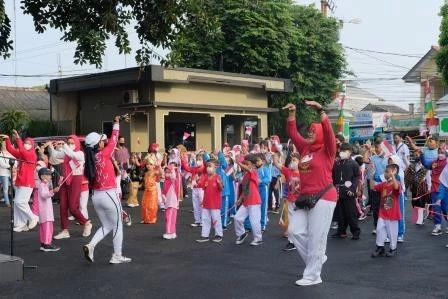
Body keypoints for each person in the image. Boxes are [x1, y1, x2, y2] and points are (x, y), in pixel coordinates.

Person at [283, 101, 337, 287]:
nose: (310, 133)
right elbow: (292, 133)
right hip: (305, 197)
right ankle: (317, 259)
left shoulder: (328, 150)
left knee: (316, 237)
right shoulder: (305, 148)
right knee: (294, 231)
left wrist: (321, 111)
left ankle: (313, 275)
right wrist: (292, 113)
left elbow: (329, 131)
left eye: (314, 130)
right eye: (309, 131)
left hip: (324, 197)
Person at [82, 115, 131, 264]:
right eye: (102, 141)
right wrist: (116, 123)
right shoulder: (103, 154)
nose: (105, 141)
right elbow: (114, 138)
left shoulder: (90, 158)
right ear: (98, 144)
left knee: (108, 225)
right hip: (108, 194)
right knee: (117, 225)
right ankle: (117, 255)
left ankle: (91, 245)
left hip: (96, 197)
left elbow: (111, 140)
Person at [52, 135, 92, 240]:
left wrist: (64, 145)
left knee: (73, 207)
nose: (70, 144)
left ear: (77, 143)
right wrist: (51, 146)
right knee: (63, 206)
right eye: (68, 142)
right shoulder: (66, 152)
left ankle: (86, 223)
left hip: (76, 179)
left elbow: (71, 154)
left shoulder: (80, 153)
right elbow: (55, 155)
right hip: (66, 179)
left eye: (72, 142)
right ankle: (65, 230)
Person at [1, 129, 39, 232]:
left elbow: (22, 151)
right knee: (18, 203)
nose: (26, 144)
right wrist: (8, 139)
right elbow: (12, 151)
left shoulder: (32, 155)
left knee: (19, 202)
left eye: (28, 143)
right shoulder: (23, 154)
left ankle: (33, 217)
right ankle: (20, 224)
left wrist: (18, 138)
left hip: (27, 182)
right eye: (25, 143)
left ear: (33, 145)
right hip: (20, 181)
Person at [370, 164, 401, 258]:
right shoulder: (384, 184)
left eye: (387, 172)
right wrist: (371, 175)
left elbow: (396, 187)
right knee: (379, 229)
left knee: (392, 232)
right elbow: (372, 187)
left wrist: (393, 176)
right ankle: (380, 247)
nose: (385, 173)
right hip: (383, 213)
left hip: (392, 214)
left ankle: (393, 248)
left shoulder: (397, 183)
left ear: (394, 172)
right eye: (386, 171)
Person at [332, 143, 361, 240]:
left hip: (349, 191)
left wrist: (353, 189)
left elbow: (357, 177)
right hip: (338, 191)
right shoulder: (336, 163)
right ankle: (341, 231)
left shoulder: (353, 164)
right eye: (340, 151)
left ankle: (355, 231)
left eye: (343, 151)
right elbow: (333, 177)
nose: (341, 153)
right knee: (340, 213)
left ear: (349, 152)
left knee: (351, 213)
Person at [272, 152, 300, 251]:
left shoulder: (304, 173)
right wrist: (276, 155)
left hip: (301, 202)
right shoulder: (288, 171)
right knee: (291, 222)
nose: (291, 162)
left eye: (294, 160)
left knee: (302, 223)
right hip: (291, 201)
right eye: (291, 160)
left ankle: (303, 242)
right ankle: (291, 242)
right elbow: (276, 164)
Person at [234, 155, 263, 246]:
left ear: (252, 165)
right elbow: (246, 189)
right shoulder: (246, 175)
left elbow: (249, 169)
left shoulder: (253, 171)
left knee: (254, 221)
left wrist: (238, 162)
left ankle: (258, 239)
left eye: (247, 163)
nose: (244, 165)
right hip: (246, 201)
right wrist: (240, 199)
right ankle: (242, 234)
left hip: (254, 201)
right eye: (244, 163)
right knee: (237, 218)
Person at [195, 159, 224, 243]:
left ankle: (219, 234)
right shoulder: (206, 178)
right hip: (206, 202)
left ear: (215, 167)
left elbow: (221, 188)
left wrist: (219, 183)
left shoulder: (218, 177)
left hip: (215, 203)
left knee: (216, 219)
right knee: (205, 219)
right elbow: (203, 187)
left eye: (210, 166)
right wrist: (198, 180)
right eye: (207, 166)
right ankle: (205, 235)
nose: (208, 168)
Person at [37, 167, 61, 252]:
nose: (50, 176)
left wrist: (53, 190)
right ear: (43, 176)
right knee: (48, 227)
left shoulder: (44, 184)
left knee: (44, 227)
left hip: (45, 210)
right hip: (46, 211)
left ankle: (44, 243)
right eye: (48, 174)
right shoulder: (42, 184)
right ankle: (47, 244)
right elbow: (44, 195)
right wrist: (53, 191)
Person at [140, 153, 163, 224]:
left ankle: (152, 219)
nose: (148, 166)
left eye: (150, 164)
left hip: (152, 191)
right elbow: (145, 182)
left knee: (151, 205)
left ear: (153, 165)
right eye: (147, 164)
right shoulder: (146, 173)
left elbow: (161, 174)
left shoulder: (154, 172)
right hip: (146, 191)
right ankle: (145, 218)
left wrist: (159, 166)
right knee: (144, 205)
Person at [162, 164, 180, 240]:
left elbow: (173, 176)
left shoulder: (173, 180)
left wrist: (172, 169)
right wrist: (163, 197)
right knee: (168, 218)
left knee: (170, 217)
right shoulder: (166, 181)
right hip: (167, 203)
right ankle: (172, 232)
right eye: (166, 172)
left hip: (172, 203)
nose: (167, 174)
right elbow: (163, 191)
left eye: (168, 172)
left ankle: (169, 232)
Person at [114, 136, 130, 200]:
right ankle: (118, 194)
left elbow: (128, 158)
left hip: (125, 167)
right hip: (118, 167)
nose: (123, 142)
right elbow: (113, 159)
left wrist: (128, 166)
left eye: (123, 140)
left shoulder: (125, 149)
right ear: (118, 141)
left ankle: (123, 194)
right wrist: (118, 164)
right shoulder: (115, 149)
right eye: (121, 140)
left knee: (125, 181)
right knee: (118, 181)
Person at [0, 140, 15, 207]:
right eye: (3, 144)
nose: (5, 145)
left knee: (14, 187)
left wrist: (14, 166)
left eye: (5, 144)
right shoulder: (1, 154)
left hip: (11, 173)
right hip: (3, 173)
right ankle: (7, 202)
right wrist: (11, 166)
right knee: (5, 188)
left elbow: (15, 160)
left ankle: (15, 200)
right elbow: (2, 164)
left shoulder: (10, 153)